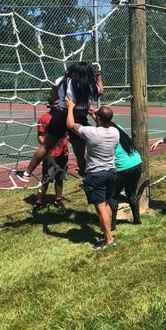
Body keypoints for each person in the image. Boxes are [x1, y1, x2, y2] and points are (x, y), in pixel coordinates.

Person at [14, 62, 103, 183]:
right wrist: (98, 73)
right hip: (79, 117)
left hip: (61, 115)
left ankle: (26, 173)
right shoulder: (91, 86)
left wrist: (57, 101)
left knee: (46, 146)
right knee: (79, 153)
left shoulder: (62, 80)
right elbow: (100, 90)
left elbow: (54, 95)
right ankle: (85, 176)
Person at [65, 96, 119, 250]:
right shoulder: (115, 132)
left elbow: (70, 124)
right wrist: (94, 113)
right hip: (111, 173)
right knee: (106, 203)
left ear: (99, 118)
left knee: (100, 207)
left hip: (96, 175)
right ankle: (108, 232)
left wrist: (70, 107)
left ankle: (109, 239)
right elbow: (102, 123)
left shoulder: (90, 132)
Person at [87, 109, 143, 228]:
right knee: (131, 193)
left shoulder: (104, 135)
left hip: (122, 167)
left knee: (112, 197)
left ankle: (112, 224)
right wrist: (94, 115)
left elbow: (100, 127)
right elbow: (103, 123)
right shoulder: (118, 129)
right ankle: (137, 219)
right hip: (136, 163)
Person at [31, 101, 69, 216]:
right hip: (51, 155)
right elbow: (40, 136)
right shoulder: (44, 118)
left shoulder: (65, 117)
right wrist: (48, 147)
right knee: (46, 180)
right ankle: (38, 202)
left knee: (60, 178)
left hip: (63, 154)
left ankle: (58, 200)